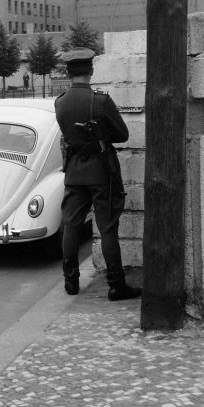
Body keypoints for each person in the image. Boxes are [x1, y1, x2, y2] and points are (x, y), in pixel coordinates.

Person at [55, 47, 142, 301]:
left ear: (68, 73)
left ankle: (71, 282)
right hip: (101, 172)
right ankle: (116, 285)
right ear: (90, 71)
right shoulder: (100, 101)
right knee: (107, 229)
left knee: (71, 226)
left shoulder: (60, 102)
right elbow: (122, 135)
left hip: (74, 172)